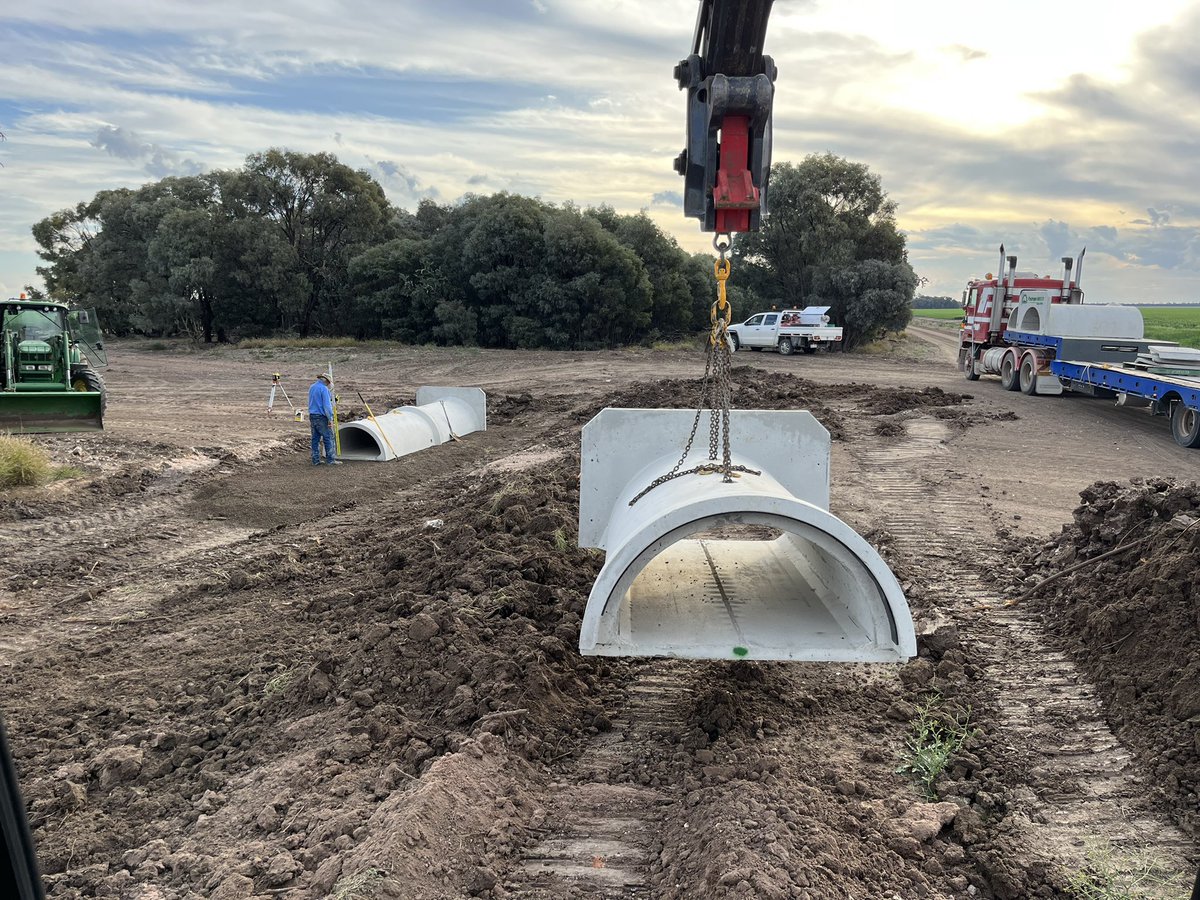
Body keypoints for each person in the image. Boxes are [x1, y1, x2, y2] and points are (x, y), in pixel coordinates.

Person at [307, 373, 340, 466]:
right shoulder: (324, 389)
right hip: (322, 417)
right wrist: (330, 419)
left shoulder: (312, 387)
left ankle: (315, 460)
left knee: (315, 439)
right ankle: (331, 460)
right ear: (326, 381)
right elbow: (327, 406)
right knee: (328, 437)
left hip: (312, 415)